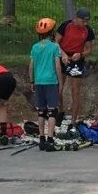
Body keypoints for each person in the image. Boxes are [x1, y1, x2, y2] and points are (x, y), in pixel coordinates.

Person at [55, 8, 95, 125]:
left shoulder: (87, 30)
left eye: (87, 21)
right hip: (63, 56)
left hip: (77, 60)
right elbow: (56, 41)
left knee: (75, 91)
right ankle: (60, 111)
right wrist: (62, 53)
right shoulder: (66, 25)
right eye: (83, 21)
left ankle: (73, 121)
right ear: (76, 18)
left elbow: (89, 49)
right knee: (58, 89)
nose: (85, 23)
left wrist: (81, 54)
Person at [29, 18, 63, 151]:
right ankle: (50, 138)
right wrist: (59, 81)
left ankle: (41, 138)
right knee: (53, 110)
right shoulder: (54, 47)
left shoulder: (35, 47)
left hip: (39, 81)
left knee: (41, 110)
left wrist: (32, 80)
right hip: (51, 81)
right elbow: (57, 65)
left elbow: (31, 66)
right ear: (52, 32)